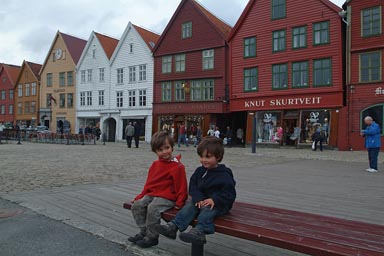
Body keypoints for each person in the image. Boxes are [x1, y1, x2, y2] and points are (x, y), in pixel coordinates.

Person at [155, 136, 236, 245]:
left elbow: (229, 193)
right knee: (190, 206)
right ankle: (174, 226)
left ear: (218, 157)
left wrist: (215, 200)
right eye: (201, 157)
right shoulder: (200, 171)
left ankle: (200, 231)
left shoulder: (224, 174)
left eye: (208, 157)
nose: (204, 160)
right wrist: (198, 198)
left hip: (219, 203)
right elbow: (193, 186)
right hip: (201, 200)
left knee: (207, 210)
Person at [129, 131, 188, 248]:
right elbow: (149, 183)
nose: (164, 152)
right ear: (155, 151)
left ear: (172, 147)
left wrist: (179, 203)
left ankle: (152, 237)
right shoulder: (155, 165)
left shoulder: (178, 167)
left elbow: (182, 187)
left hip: (168, 197)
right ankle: (145, 231)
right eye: (160, 150)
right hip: (153, 193)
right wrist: (140, 197)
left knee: (153, 208)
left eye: (167, 148)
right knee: (137, 205)